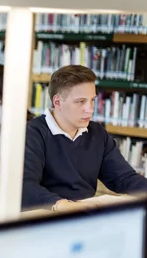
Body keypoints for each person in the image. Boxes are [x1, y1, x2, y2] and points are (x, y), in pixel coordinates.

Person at [23, 65, 147, 211]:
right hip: (44, 216)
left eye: (92, 100)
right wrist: (62, 205)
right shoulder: (32, 133)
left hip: (84, 215)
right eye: (80, 101)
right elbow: (25, 186)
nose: (90, 109)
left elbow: (123, 177)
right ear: (57, 102)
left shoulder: (97, 133)